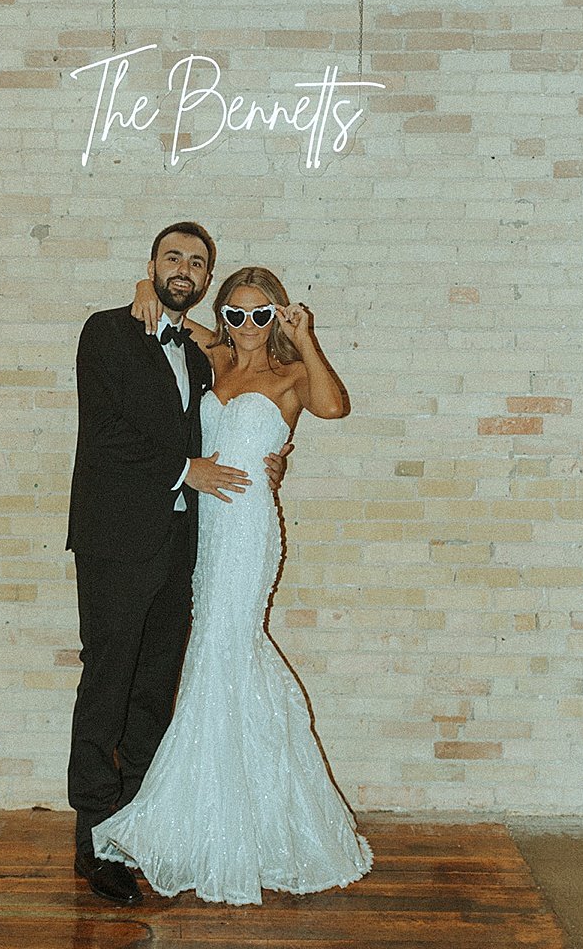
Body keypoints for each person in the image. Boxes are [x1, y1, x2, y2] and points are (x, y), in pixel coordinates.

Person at [89, 264, 372, 905]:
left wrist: (305, 337)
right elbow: (163, 318)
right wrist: (143, 290)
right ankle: (234, 806)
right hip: (197, 528)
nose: (247, 326)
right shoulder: (211, 356)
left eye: (260, 315)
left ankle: (208, 817)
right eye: (237, 314)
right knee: (216, 654)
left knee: (224, 647)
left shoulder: (291, 373)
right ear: (225, 317)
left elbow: (335, 406)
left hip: (246, 530)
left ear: (277, 316)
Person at [67, 222, 268, 904]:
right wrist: (190, 468)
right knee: (109, 687)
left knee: (153, 692)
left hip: (180, 547)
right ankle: (95, 845)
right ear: (150, 264)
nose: (184, 269)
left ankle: (135, 830)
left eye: (197, 263)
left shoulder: (199, 347)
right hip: (116, 543)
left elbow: (247, 387)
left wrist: (265, 453)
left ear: (206, 281)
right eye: (172, 257)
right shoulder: (106, 332)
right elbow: (107, 434)